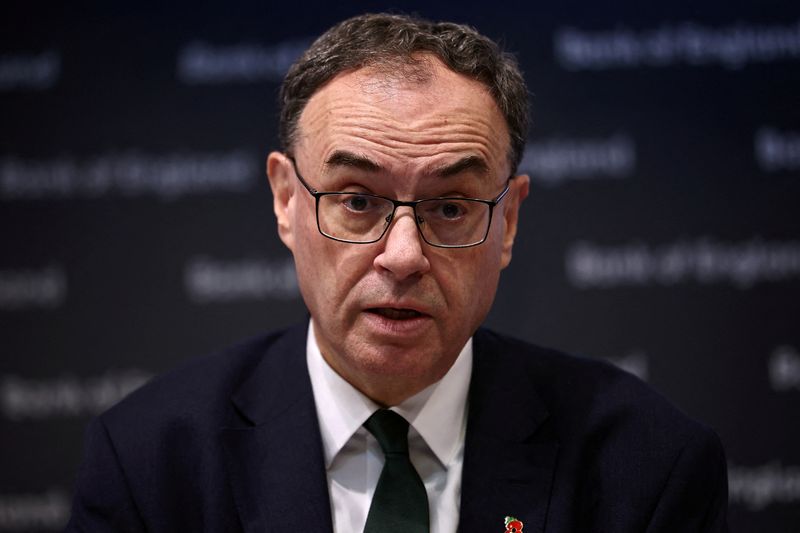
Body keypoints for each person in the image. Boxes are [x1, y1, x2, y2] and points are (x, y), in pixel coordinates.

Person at [65, 13, 729, 533]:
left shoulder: (646, 466)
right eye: (358, 201)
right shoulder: (150, 464)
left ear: (510, 222)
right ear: (287, 201)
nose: (405, 254)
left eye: (449, 206)